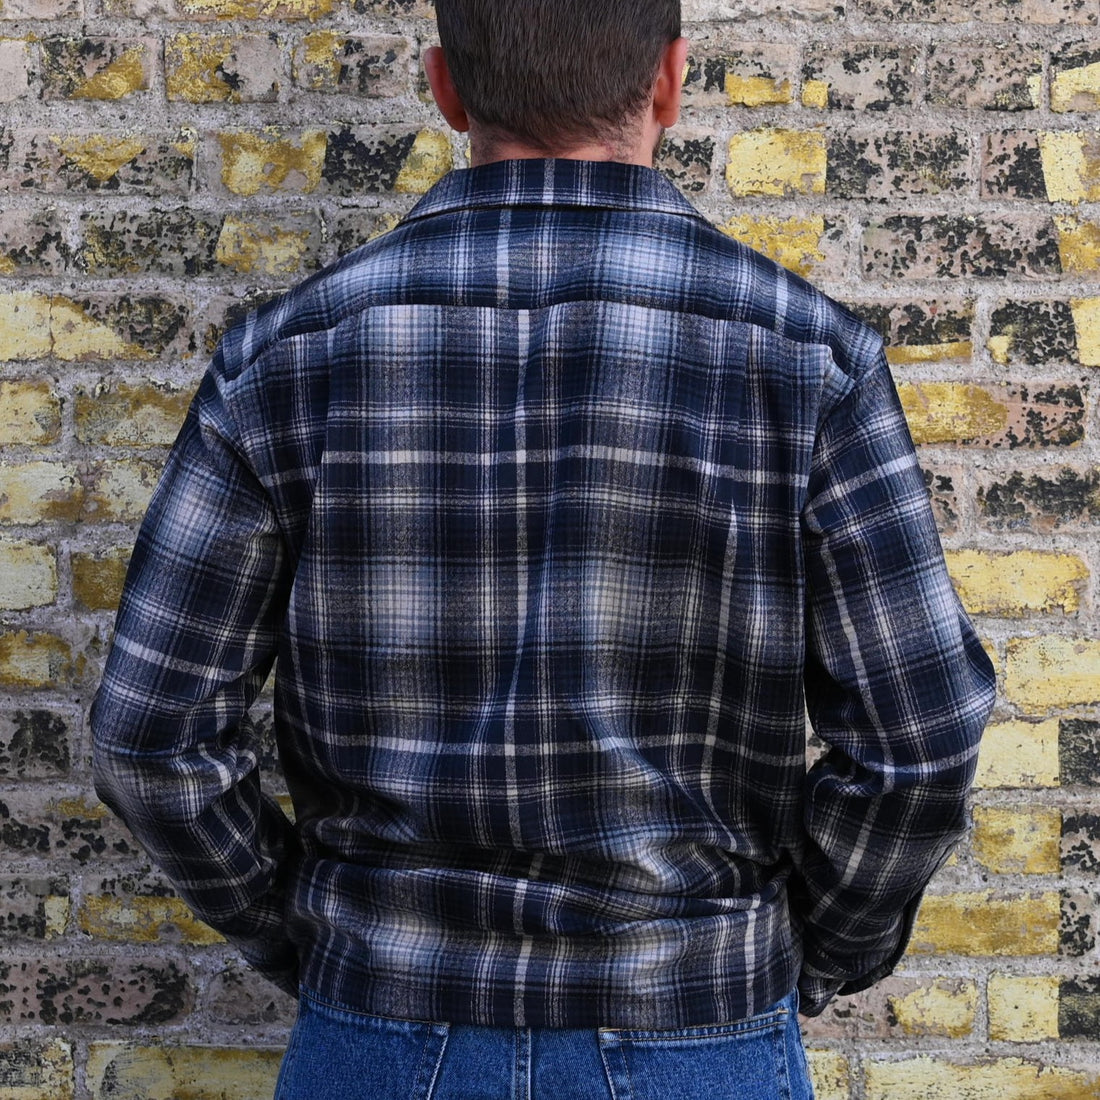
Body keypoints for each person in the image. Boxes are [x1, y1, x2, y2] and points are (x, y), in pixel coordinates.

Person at [91, 1, 997, 1096]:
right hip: (693, 1021)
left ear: (444, 87)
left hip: (381, 1023)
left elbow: (152, 737)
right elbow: (920, 738)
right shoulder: (810, 361)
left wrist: (313, 937)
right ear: (670, 81)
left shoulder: (284, 360)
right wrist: (813, 944)